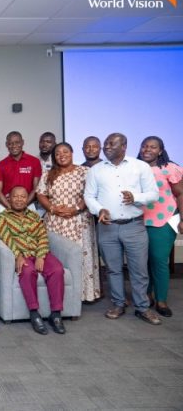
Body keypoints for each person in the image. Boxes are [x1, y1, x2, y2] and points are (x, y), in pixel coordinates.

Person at [84, 133, 160, 325]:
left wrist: (136, 197)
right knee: (113, 269)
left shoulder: (140, 167)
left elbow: (153, 194)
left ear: (124, 146)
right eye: (106, 144)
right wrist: (99, 209)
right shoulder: (96, 170)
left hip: (134, 226)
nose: (106, 147)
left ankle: (142, 307)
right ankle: (118, 304)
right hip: (107, 227)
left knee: (139, 270)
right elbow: (89, 196)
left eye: (112, 143)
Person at [0, 186, 66, 335]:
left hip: (38, 251)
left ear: (27, 199)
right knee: (27, 271)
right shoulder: (2, 218)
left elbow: (43, 236)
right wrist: (18, 256)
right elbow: (6, 239)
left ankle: (56, 314)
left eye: (23, 197)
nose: (19, 200)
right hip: (22, 254)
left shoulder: (34, 216)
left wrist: (40, 255)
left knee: (57, 269)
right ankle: (34, 313)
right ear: (9, 198)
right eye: (16, 196)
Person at [36, 143, 100, 302]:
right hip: (55, 222)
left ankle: (83, 295)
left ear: (72, 153)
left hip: (79, 221)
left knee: (80, 256)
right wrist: (52, 208)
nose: (61, 155)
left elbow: (91, 194)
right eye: (57, 153)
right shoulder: (48, 174)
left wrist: (76, 208)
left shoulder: (85, 172)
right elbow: (40, 194)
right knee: (58, 257)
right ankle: (59, 295)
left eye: (65, 152)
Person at [137, 136, 183, 317]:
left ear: (160, 151)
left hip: (164, 220)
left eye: (153, 147)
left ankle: (161, 300)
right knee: (143, 261)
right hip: (139, 220)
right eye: (144, 146)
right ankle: (147, 296)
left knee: (159, 260)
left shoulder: (169, 168)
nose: (147, 149)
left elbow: (180, 194)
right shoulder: (135, 168)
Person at [0, 131, 42, 211]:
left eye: (17, 142)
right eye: (10, 143)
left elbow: (36, 188)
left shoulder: (34, 161)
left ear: (22, 142)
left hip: (28, 205)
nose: (14, 146)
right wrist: (10, 208)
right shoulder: (1, 164)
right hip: (6, 206)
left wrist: (23, 206)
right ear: (6, 144)